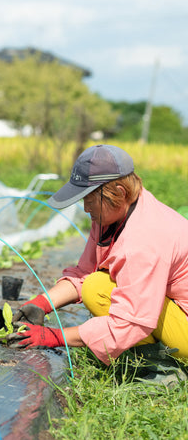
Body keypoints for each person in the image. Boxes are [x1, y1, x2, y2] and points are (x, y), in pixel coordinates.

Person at [13, 144, 188, 365]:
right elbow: (84, 273)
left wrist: (54, 337)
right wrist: (41, 304)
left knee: (100, 289)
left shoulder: (146, 237)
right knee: (95, 286)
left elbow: (131, 322)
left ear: (119, 193)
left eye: (89, 198)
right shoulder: (113, 213)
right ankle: (143, 353)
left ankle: (154, 364)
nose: (85, 208)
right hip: (167, 309)